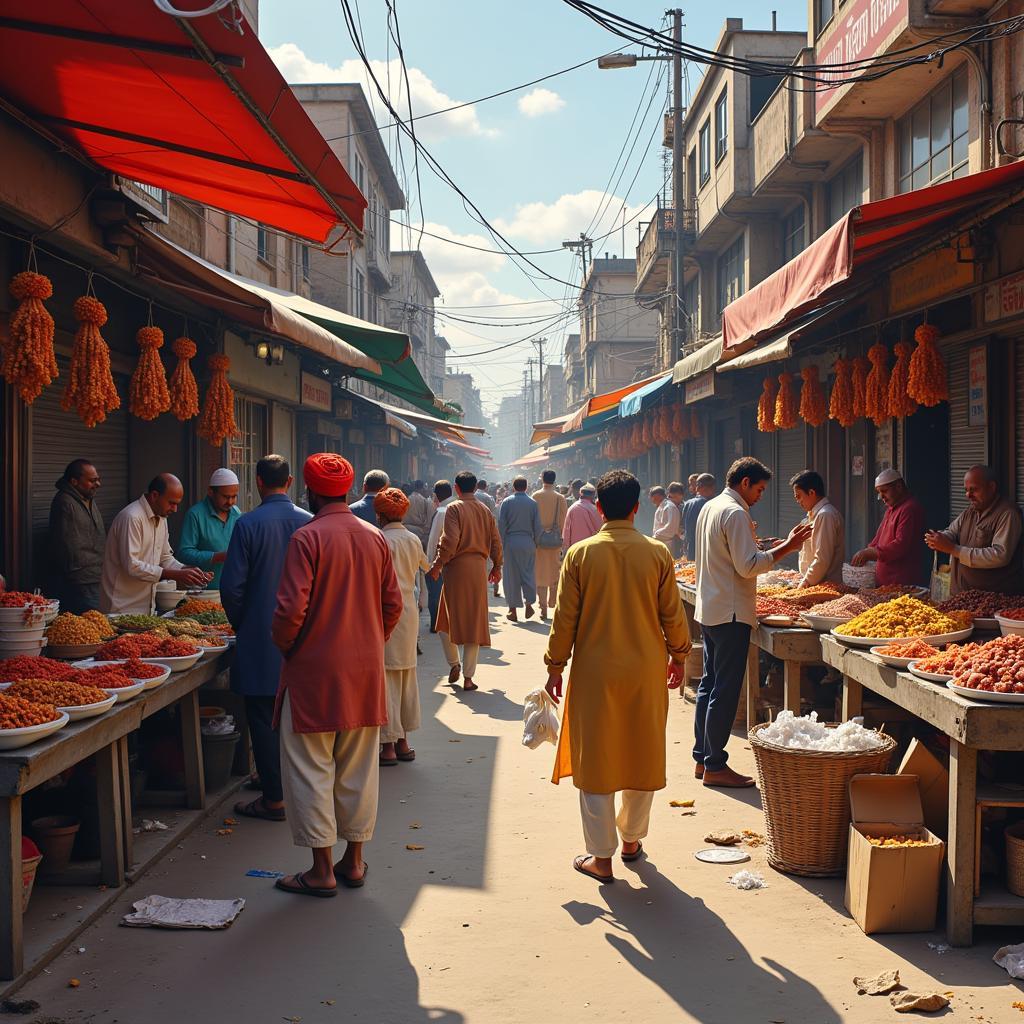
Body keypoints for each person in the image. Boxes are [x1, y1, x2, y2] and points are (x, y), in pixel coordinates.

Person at [545, 469, 691, 883]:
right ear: (637, 507)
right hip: (646, 669)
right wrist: (679, 656)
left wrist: (555, 667)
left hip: (595, 671)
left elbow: (564, 621)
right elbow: (672, 616)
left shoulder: (580, 555)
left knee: (597, 760)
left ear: (597, 507)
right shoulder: (657, 553)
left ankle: (601, 858)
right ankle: (631, 841)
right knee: (641, 752)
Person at [271, 453, 403, 897]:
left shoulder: (306, 538)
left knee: (311, 768)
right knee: (359, 769)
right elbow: (393, 606)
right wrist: (368, 643)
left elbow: (290, 611)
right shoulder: (374, 537)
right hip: (365, 673)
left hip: (313, 675)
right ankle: (355, 861)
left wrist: (291, 647)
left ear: (308, 491)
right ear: (347, 491)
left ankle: (321, 869)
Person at [694, 458, 812, 788]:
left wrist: (764, 546)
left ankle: (702, 758)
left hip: (711, 608)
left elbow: (730, 555)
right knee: (724, 690)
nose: (760, 495)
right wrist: (789, 547)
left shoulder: (712, 507)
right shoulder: (734, 512)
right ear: (744, 482)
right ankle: (715, 764)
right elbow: (747, 567)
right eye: (759, 489)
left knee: (709, 684)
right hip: (730, 612)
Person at [221, 455, 312, 822]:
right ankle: (300, 791)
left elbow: (232, 587)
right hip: (305, 638)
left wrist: (245, 624)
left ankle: (274, 798)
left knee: (261, 716)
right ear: (289, 482)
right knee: (300, 719)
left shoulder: (247, 524)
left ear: (258, 481)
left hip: (260, 638)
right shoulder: (309, 523)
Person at [428, 470, 503, 692]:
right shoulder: (485, 510)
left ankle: (454, 664)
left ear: (456, 488)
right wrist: (497, 566)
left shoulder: (454, 508)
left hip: (456, 569)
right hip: (478, 569)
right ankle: (468, 678)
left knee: (445, 620)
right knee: (474, 622)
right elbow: (496, 541)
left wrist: (437, 564)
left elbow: (450, 540)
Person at [374, 488, 430, 766]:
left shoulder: (379, 540)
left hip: (384, 613)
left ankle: (388, 747)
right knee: (406, 676)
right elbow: (426, 566)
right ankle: (404, 741)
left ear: (380, 515)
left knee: (387, 679)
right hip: (408, 615)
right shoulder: (412, 539)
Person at [100, 474, 209, 614]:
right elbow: (132, 565)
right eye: (171, 503)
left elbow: (165, 557)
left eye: (177, 504)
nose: (175, 509)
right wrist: (174, 575)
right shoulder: (132, 518)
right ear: (154, 495)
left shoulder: (162, 518)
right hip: (120, 607)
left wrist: (187, 570)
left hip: (147, 607)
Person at [926, 465, 1024, 595]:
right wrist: (939, 538)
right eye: (966, 490)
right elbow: (952, 531)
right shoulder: (970, 511)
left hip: (993, 599)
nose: (968, 495)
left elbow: (1000, 555)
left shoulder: (1008, 514)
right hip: (963, 595)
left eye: (974, 490)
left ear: (992, 487)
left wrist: (953, 549)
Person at [851, 469, 927, 586]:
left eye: (884, 491)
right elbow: (878, 539)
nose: (881, 497)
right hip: (885, 584)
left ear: (898, 487)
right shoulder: (891, 509)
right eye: (879, 492)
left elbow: (901, 544)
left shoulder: (909, 508)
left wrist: (872, 553)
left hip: (901, 583)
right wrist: (868, 551)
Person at [48, 459, 106, 613]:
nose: (98, 484)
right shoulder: (65, 503)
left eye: (98, 479)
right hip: (80, 582)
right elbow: (67, 547)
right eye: (92, 480)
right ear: (74, 481)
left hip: (96, 577)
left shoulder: (88, 498)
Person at [178, 468, 242, 589]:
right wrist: (216, 557)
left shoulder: (237, 513)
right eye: (225, 497)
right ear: (211, 492)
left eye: (234, 497)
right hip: (202, 591)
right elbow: (183, 553)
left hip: (233, 588)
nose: (230, 502)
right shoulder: (195, 514)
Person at [790, 470, 845, 587]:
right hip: (816, 584)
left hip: (824, 585)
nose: (798, 501)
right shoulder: (814, 514)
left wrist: (806, 582)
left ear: (811, 492)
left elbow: (822, 559)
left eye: (799, 496)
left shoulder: (825, 515)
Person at [498, 477, 540, 622]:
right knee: (528, 573)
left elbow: (501, 525)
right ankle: (529, 603)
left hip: (511, 542)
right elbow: (538, 526)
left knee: (511, 576)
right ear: (526, 487)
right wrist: (535, 543)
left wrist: (501, 544)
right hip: (528, 541)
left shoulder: (507, 502)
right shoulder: (533, 503)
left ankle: (513, 610)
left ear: (513, 487)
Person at [532, 470, 567, 619]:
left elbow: (531, 519)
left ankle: (543, 607)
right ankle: (552, 602)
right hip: (555, 540)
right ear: (554, 480)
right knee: (554, 571)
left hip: (538, 540)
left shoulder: (535, 496)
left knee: (540, 573)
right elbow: (563, 520)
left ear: (542, 479)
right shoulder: (560, 498)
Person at [425, 480, 455, 632]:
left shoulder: (442, 512)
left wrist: (429, 564)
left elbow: (433, 540)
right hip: (454, 561)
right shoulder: (456, 508)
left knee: (436, 594)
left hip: (440, 561)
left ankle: (436, 623)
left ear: (436, 495)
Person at [681, 474, 715, 561]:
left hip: (690, 548)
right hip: (704, 549)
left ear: (697, 487)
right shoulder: (709, 505)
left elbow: (683, 527)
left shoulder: (688, 503)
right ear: (708, 488)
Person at [561, 482, 602, 550]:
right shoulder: (596, 510)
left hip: (574, 549)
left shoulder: (572, 508)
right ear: (593, 495)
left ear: (580, 493)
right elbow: (600, 531)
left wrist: (565, 549)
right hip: (592, 549)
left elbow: (566, 533)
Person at [651, 483, 685, 556]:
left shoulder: (670, 507)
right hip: (662, 544)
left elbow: (671, 528)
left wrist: (655, 536)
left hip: (668, 545)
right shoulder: (665, 506)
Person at [404, 480, 432, 549]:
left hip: (406, 529)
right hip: (419, 532)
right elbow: (428, 519)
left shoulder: (406, 499)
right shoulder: (425, 501)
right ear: (422, 488)